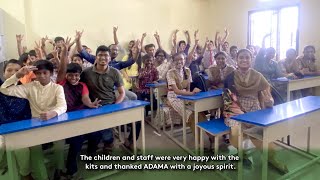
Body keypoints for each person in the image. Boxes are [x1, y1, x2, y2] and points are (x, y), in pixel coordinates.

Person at [224, 49, 288, 174]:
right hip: (235, 110)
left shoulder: (258, 76)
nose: (244, 60)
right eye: (241, 57)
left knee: (259, 133)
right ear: (236, 60)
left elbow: (267, 95)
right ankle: (242, 154)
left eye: (247, 57)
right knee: (235, 130)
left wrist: (269, 101)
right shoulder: (230, 77)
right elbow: (228, 100)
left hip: (255, 109)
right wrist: (242, 116)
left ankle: (271, 159)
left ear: (251, 59)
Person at [0, 60, 67, 180]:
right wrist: (18, 75)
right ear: (35, 74)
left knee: (60, 146)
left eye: (45, 72)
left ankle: (59, 169)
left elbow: (63, 106)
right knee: (35, 150)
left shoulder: (57, 88)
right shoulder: (29, 87)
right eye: (39, 73)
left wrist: (53, 113)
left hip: (55, 123)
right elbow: (4, 89)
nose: (42, 76)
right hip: (35, 126)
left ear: (51, 73)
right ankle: (43, 177)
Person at [0, 59, 32, 180]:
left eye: (17, 70)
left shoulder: (26, 89)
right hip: (2, 129)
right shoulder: (1, 88)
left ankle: (25, 174)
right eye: (9, 70)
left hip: (21, 129)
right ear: (3, 73)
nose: (13, 73)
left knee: (22, 148)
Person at [166, 52, 207, 134]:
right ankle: (198, 143)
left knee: (199, 112)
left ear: (185, 60)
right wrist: (192, 94)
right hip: (174, 97)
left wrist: (189, 96)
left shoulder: (188, 70)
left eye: (181, 59)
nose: (179, 61)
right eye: (176, 60)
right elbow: (176, 91)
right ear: (173, 61)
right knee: (191, 115)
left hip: (186, 95)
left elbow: (188, 88)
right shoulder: (170, 72)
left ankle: (211, 137)